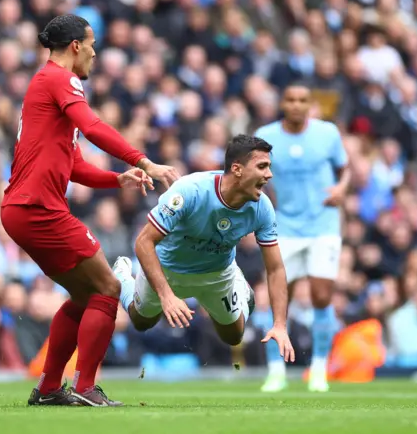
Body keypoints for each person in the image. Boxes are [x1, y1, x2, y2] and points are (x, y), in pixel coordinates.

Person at [0, 14, 180, 407]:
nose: (96, 52)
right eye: (92, 43)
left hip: (25, 208)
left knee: (85, 295)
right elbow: (94, 126)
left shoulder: (46, 86)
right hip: (37, 208)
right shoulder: (61, 79)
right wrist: (142, 159)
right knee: (109, 288)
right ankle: (83, 387)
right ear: (76, 46)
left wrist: (117, 178)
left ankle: (49, 389)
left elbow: (75, 165)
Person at [113, 135, 295, 363]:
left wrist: (279, 324)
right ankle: (121, 276)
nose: (269, 175)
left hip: (217, 273)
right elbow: (143, 242)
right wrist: (167, 296)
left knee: (233, 336)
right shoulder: (190, 190)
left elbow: (276, 268)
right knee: (142, 322)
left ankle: (239, 285)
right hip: (167, 269)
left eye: (269, 167)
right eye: (262, 167)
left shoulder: (262, 207)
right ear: (237, 169)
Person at [254, 83, 350, 392]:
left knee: (322, 296)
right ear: (282, 102)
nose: (296, 104)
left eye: (302, 100)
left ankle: (320, 367)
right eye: (290, 99)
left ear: (310, 104)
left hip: (323, 225)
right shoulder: (266, 136)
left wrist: (341, 189)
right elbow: (255, 177)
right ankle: (275, 369)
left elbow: (345, 169)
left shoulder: (327, 133)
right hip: (285, 227)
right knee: (279, 298)